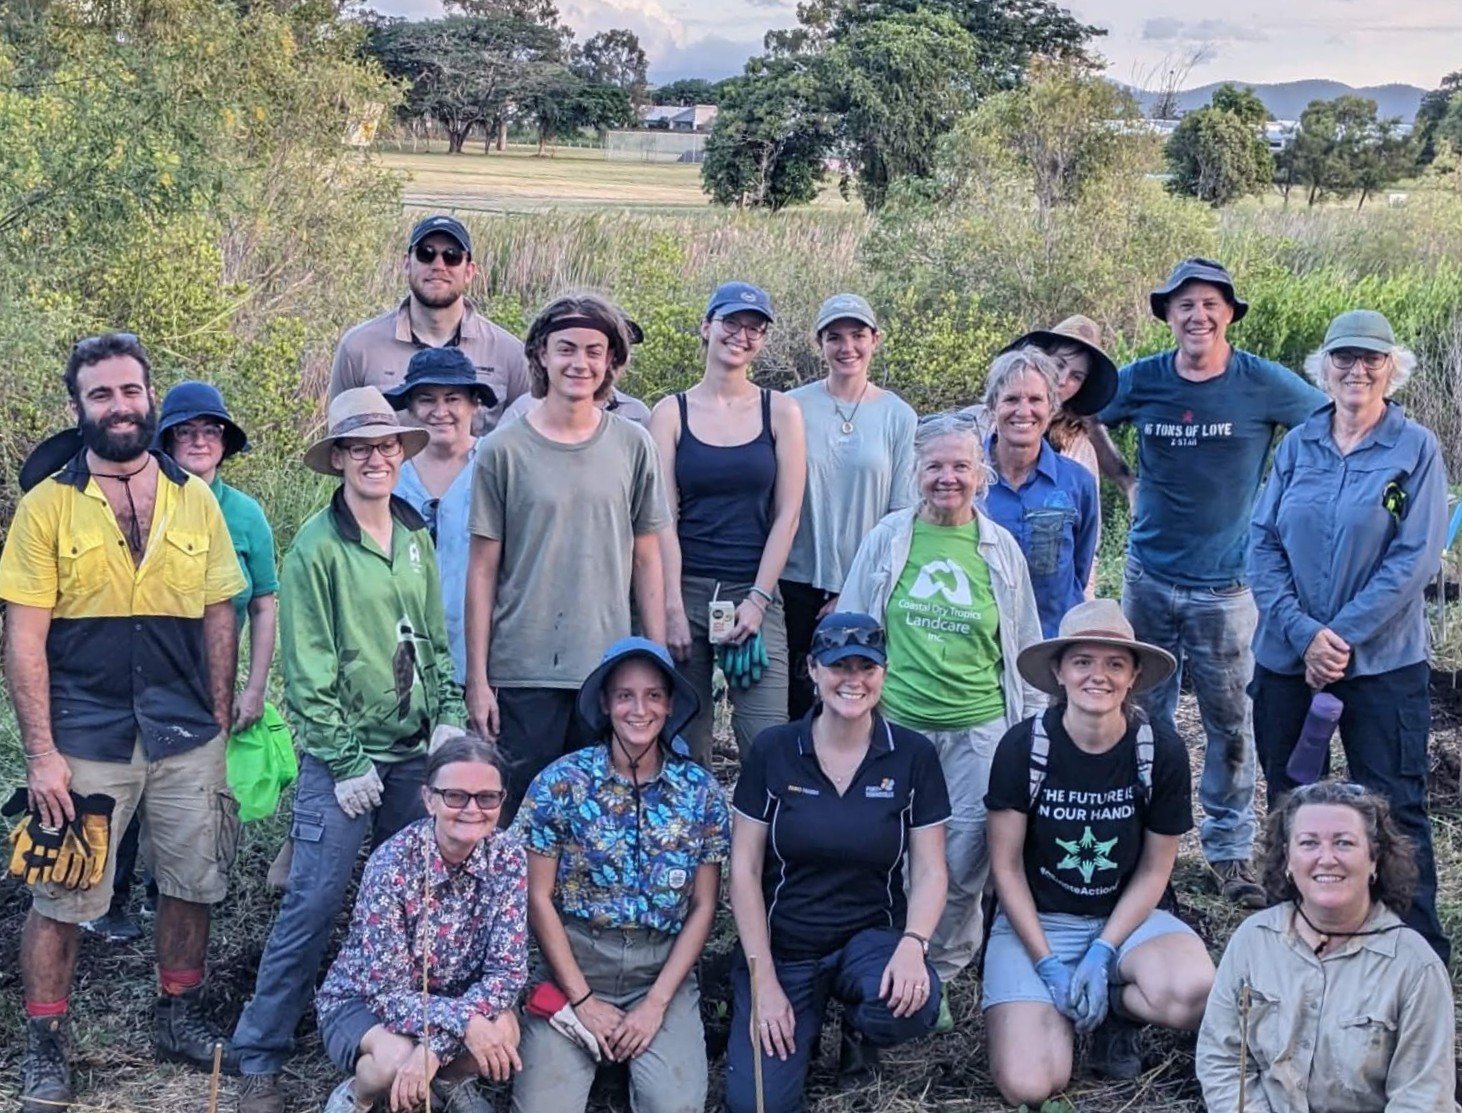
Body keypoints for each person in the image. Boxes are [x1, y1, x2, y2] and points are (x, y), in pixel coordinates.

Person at [0, 333, 247, 1113]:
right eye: (101, 394)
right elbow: (24, 634)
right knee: (62, 893)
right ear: (79, 407)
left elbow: (219, 608)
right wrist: (41, 753)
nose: (119, 405)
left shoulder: (194, 497)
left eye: (130, 391)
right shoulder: (47, 506)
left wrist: (218, 705)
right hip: (85, 735)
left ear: (151, 397)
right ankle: (45, 1043)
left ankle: (175, 1015)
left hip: (184, 733)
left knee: (191, 881)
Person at [233, 386, 467, 1113]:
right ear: (339, 458)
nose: (375, 457)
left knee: (416, 904)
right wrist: (343, 756)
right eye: (359, 446)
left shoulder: (413, 535)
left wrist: (449, 718)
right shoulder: (316, 547)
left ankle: (411, 1047)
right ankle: (259, 1053)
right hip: (343, 763)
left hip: (410, 757)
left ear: (402, 452)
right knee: (314, 897)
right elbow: (307, 667)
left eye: (386, 445)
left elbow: (431, 639)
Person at [1094, 257, 1325, 909]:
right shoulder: (1144, 379)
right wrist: (1123, 478)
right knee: (1144, 716)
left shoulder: (1260, 384)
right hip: (1149, 578)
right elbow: (1087, 409)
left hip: (1229, 588)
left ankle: (1228, 850)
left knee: (1229, 721)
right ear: (1168, 316)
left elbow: (1326, 425)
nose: (1198, 315)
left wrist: (1281, 504)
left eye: (1210, 304)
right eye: (1184, 305)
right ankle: (1144, 849)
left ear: (1228, 314)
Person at [1249, 309, 1450, 963]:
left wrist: (1339, 637)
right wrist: (1305, 634)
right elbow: (1262, 543)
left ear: (1392, 367)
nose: (1357, 369)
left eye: (1371, 358)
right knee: (1289, 802)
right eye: (1344, 357)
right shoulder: (1298, 446)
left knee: (1395, 807)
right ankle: (1294, 943)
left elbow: (1415, 556)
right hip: (1287, 660)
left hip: (1383, 667)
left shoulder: (1413, 450)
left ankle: (1413, 952)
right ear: (1324, 366)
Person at [839, 412, 1044, 1030]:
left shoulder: (1000, 549)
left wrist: (1028, 736)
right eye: (935, 467)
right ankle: (883, 957)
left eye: (960, 466)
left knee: (963, 856)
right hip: (896, 723)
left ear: (980, 473)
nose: (947, 478)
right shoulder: (889, 538)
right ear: (915, 473)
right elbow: (851, 623)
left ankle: (941, 972)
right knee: (891, 849)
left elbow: (1026, 644)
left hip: (980, 728)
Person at [983, 599, 1215, 1105]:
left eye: (1115, 663)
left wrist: (1104, 948)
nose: (1098, 676)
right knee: (1031, 1083)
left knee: (1195, 994)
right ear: (1059, 672)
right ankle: (1046, 1004)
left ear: (1133, 675)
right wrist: (1046, 961)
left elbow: (1157, 868)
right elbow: (1005, 867)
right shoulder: (1024, 748)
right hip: (1040, 919)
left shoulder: (1160, 750)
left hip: (1130, 919)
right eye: (1083, 662)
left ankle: (1117, 1010)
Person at [724, 613, 949, 1113]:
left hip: (870, 940)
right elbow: (742, 869)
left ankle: (859, 1027)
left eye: (866, 667)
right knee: (757, 1107)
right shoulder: (774, 750)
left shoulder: (911, 755)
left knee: (913, 1004)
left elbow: (932, 869)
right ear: (812, 669)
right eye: (838, 666)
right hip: (786, 948)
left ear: (884, 672)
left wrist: (914, 945)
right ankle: (763, 1002)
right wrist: (764, 981)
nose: (854, 680)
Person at [87, 381, 281, 945]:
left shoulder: (246, 515)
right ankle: (110, 898)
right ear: (166, 441)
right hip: (140, 676)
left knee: (197, 797)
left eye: (210, 431)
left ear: (224, 443)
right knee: (125, 782)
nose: (200, 441)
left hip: (209, 683)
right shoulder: (140, 502)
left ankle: (169, 895)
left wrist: (255, 686)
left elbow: (264, 603)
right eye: (187, 432)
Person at [464, 293, 669, 817]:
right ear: (540, 355)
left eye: (594, 351)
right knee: (521, 817)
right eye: (566, 349)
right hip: (522, 669)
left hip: (605, 667)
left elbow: (647, 558)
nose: (580, 363)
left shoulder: (633, 445)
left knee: (601, 818)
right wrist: (479, 679)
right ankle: (518, 904)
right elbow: (483, 570)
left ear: (611, 363)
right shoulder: (502, 450)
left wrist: (657, 663)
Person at [510, 637, 729, 1113]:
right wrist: (582, 998)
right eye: (625, 695)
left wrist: (656, 1003)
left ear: (671, 705)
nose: (639, 709)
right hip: (576, 959)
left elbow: (704, 904)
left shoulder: (700, 791)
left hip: (660, 969)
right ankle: (582, 1044)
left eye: (653, 695)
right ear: (606, 703)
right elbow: (537, 896)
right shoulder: (561, 782)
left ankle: (644, 1045)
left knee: (675, 1105)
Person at [1196, 780, 1458, 1113]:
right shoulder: (1253, 940)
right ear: (1288, 860)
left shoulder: (1415, 967)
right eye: (1308, 843)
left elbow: (1423, 1098)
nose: (1327, 858)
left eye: (1344, 843)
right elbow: (1222, 1058)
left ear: (1374, 859)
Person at [313, 735, 528, 1113]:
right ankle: (358, 1096)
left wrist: (434, 1048)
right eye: (455, 796)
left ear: (501, 801)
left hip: (455, 999)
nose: (472, 809)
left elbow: (507, 972)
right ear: (429, 799)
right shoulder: (392, 864)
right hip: (369, 1001)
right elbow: (387, 994)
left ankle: (445, 1079)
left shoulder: (508, 856)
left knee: (504, 1032)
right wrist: (466, 1023)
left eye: (486, 797)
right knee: (394, 1060)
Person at [649, 281, 807, 767]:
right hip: (688, 589)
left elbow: (788, 514)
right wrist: (671, 606)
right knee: (681, 743)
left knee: (766, 742)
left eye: (754, 328)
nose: (741, 336)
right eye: (731, 324)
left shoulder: (780, 411)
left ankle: (758, 843)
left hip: (754, 592)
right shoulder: (669, 413)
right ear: (706, 327)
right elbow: (661, 517)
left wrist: (759, 600)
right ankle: (692, 841)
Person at [781, 294, 916, 719]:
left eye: (858, 335)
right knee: (796, 698)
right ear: (819, 343)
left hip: (865, 582)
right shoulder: (791, 406)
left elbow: (900, 512)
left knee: (855, 697)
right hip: (796, 578)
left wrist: (851, 589)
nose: (847, 347)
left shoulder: (898, 415)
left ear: (874, 339)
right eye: (834, 337)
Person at [328, 214, 529, 434]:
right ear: (406, 263)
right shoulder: (359, 348)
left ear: (470, 271)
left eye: (451, 256)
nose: (438, 265)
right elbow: (342, 442)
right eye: (426, 254)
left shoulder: (510, 354)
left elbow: (526, 445)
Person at [386, 347, 498, 686]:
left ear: (473, 404)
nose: (440, 412)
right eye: (426, 400)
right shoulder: (390, 475)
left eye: (453, 399)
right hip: (402, 655)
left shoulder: (495, 464)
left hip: (486, 659)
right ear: (410, 407)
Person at [1002, 314, 1123, 596]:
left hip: (1048, 603)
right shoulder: (989, 423)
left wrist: (1082, 611)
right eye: (1058, 365)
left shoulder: (1078, 449)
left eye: (1077, 376)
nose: (1063, 380)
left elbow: (1086, 549)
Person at [980, 349, 1099, 637]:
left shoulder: (1077, 482)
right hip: (982, 646)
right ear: (993, 405)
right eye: (1011, 399)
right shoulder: (967, 481)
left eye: (1035, 399)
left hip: (1054, 644)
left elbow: (1080, 568)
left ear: (1052, 407)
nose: (1023, 411)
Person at [498, 317, 652, 429]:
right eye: (568, 349)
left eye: (621, 348)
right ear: (544, 354)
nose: (582, 363)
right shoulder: (527, 409)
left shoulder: (637, 413)